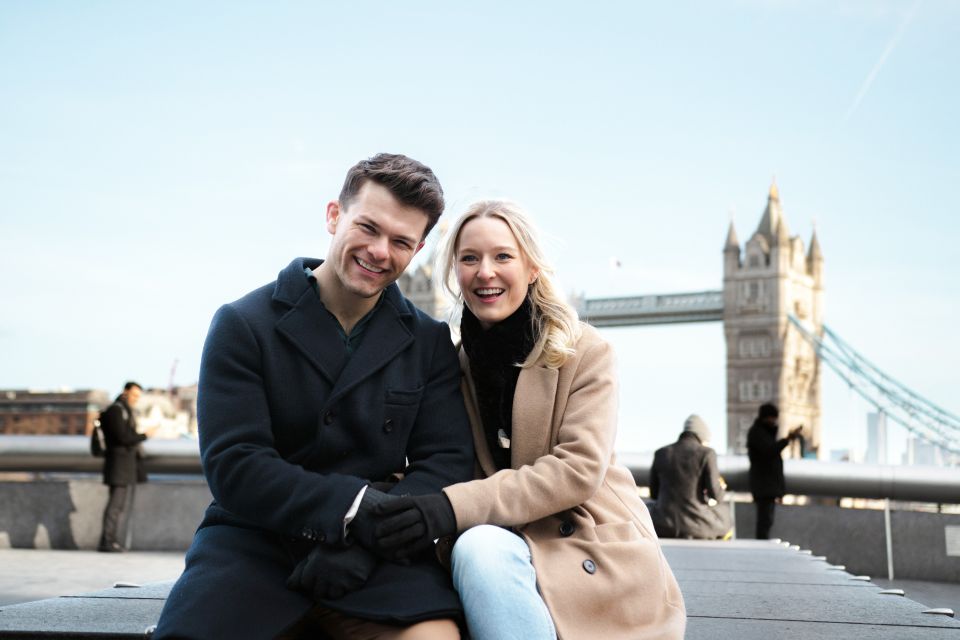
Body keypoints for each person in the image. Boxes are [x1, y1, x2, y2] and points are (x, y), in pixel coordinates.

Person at [153, 154, 475, 640]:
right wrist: (353, 511)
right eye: (368, 227)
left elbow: (447, 461)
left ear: (418, 249)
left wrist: (367, 540)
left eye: (401, 242)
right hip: (254, 543)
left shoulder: (429, 341)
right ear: (333, 216)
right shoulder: (243, 324)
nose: (380, 251)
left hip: (380, 553)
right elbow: (235, 464)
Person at [372, 201, 686, 640]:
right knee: (477, 547)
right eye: (469, 258)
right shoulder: (453, 364)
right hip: (504, 546)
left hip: (588, 548)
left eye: (503, 256)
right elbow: (443, 458)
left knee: (478, 543)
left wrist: (448, 507)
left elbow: (577, 470)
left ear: (533, 268)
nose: (485, 272)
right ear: (455, 273)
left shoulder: (585, 351)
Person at [648, 414, 732, 540]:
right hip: (697, 525)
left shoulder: (661, 453)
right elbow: (716, 496)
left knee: (648, 507)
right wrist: (721, 486)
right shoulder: (707, 453)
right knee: (725, 512)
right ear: (703, 437)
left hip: (661, 524)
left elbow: (654, 494)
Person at [98, 381, 155, 552]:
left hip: (122, 465)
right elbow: (122, 437)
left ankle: (109, 541)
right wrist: (145, 435)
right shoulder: (117, 410)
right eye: (134, 395)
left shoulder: (122, 409)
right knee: (115, 506)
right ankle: (107, 542)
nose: (136, 399)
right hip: (118, 465)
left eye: (138, 396)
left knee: (117, 506)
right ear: (125, 392)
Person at [746, 403, 802, 540]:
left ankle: (762, 543)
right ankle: (762, 545)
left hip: (767, 485)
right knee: (765, 521)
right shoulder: (757, 433)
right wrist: (787, 440)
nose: (774, 421)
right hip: (764, 485)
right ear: (766, 417)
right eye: (772, 418)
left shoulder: (763, 433)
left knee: (767, 520)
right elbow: (769, 452)